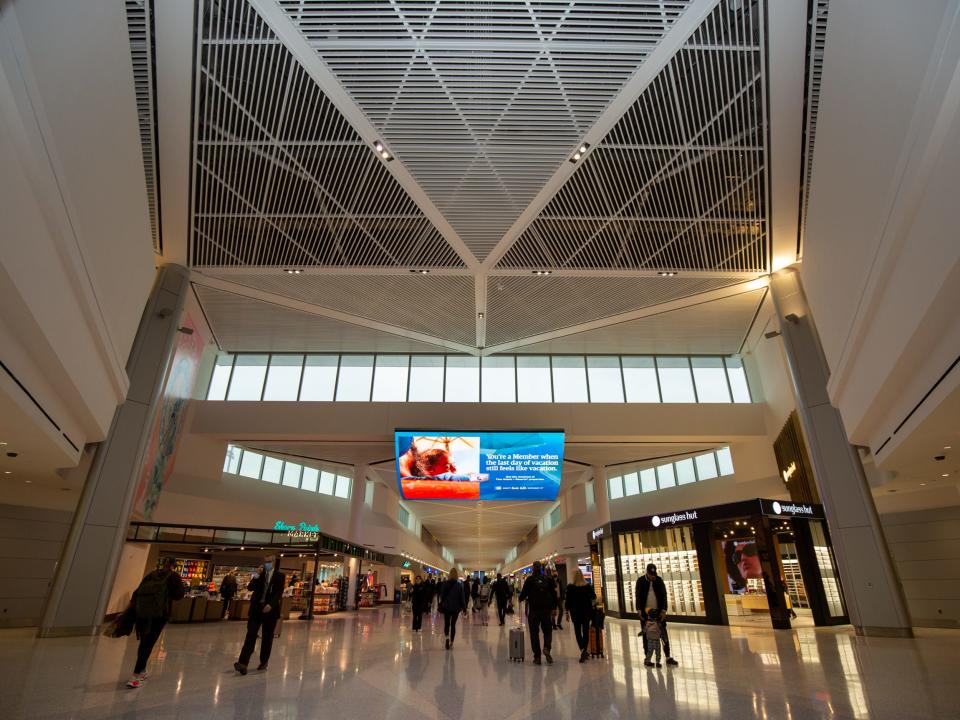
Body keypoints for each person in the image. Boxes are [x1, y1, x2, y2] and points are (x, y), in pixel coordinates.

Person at [126, 557, 185, 688]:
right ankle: (135, 675)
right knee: (149, 642)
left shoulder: (152, 574)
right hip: (160, 614)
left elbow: (136, 592)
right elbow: (179, 595)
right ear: (174, 565)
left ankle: (142, 669)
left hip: (143, 612)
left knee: (144, 642)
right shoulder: (173, 577)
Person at [234, 555, 285, 675]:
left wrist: (271, 605)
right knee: (250, 635)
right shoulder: (260, 574)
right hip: (256, 609)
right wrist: (256, 575)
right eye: (265, 562)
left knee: (267, 637)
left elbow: (279, 592)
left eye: (268, 562)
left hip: (270, 611)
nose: (266, 564)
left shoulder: (279, 576)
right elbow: (250, 587)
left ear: (273, 562)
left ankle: (264, 661)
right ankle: (243, 663)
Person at [635, 563, 679, 666]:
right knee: (646, 636)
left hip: (659, 613)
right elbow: (638, 596)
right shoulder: (640, 581)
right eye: (651, 575)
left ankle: (668, 657)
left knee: (663, 634)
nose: (653, 577)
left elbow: (664, 595)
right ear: (647, 572)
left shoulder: (659, 580)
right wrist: (639, 610)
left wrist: (664, 610)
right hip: (646, 614)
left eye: (654, 575)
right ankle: (648, 659)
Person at [518, 560, 557, 665]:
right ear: (541, 568)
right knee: (547, 631)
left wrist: (520, 599)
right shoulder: (548, 579)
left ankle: (537, 657)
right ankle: (546, 647)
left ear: (532, 568)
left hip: (534, 611)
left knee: (534, 633)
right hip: (546, 610)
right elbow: (554, 594)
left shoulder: (530, 580)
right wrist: (554, 608)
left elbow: (523, 594)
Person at [565, 569, 596, 663]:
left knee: (577, 632)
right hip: (586, 612)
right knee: (586, 631)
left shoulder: (570, 587)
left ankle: (583, 650)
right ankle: (584, 650)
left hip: (575, 612)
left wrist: (567, 612)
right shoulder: (587, 586)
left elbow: (568, 601)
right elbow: (594, 597)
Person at [439, 567, 467, 649]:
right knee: (453, 625)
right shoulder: (459, 585)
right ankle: (452, 642)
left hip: (447, 607)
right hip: (456, 608)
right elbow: (462, 598)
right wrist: (464, 608)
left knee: (447, 623)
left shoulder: (445, 584)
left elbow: (442, 595)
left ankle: (447, 638)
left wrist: (441, 603)